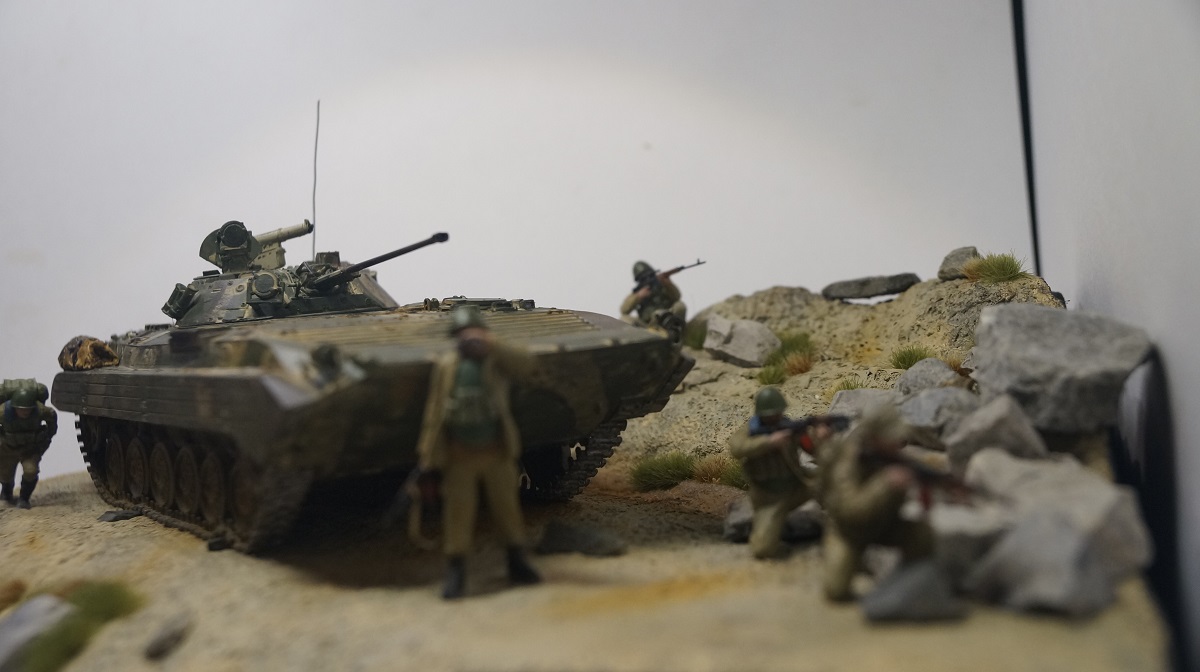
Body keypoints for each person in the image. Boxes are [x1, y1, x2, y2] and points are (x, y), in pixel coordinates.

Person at [414, 305, 541, 599]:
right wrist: (428, 455)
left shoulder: (496, 361)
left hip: (496, 452)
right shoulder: (447, 365)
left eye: (474, 333)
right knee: (458, 514)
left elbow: (527, 365)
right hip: (459, 455)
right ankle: (456, 571)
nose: (469, 339)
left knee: (507, 510)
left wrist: (493, 343)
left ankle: (517, 561)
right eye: (463, 334)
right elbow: (435, 412)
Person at [818, 405, 934, 601]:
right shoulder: (847, 460)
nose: (898, 441)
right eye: (891, 437)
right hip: (849, 532)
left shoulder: (892, 457)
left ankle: (909, 584)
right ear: (874, 437)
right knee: (836, 589)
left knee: (923, 535)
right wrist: (885, 484)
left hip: (883, 525)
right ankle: (854, 560)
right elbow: (850, 509)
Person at [727, 387, 834, 559]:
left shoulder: (789, 427)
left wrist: (820, 438)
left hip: (798, 486)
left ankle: (839, 527)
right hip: (770, 498)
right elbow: (736, 448)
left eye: (778, 413)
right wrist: (769, 442)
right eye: (770, 415)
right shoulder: (750, 430)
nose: (775, 417)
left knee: (832, 479)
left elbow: (811, 449)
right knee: (762, 549)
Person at [0, 385, 58, 509]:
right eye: (21, 409)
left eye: (28, 409)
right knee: (4, 473)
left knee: (31, 471)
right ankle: (6, 493)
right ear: (14, 407)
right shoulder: (3, 411)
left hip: (30, 449)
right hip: (8, 447)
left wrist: (48, 435)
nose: (25, 412)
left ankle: (24, 498)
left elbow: (52, 416)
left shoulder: (40, 410)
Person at [620, 261, 687, 330]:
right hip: (648, 326)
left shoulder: (662, 284)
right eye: (643, 278)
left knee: (680, 305)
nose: (648, 279)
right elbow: (623, 310)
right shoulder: (637, 292)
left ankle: (676, 329)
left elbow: (677, 296)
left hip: (667, 319)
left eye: (650, 275)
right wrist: (638, 297)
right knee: (624, 319)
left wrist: (667, 284)